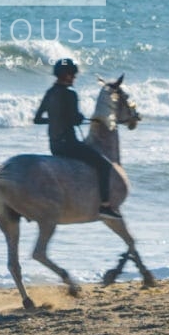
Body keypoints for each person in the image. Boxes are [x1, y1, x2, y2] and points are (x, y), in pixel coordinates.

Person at [34, 58, 121, 221]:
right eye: (72, 75)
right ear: (66, 76)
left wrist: (55, 119)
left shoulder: (50, 93)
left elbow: (37, 119)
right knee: (104, 165)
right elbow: (75, 119)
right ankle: (105, 206)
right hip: (69, 145)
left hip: (54, 146)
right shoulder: (70, 94)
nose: (74, 78)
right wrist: (78, 118)